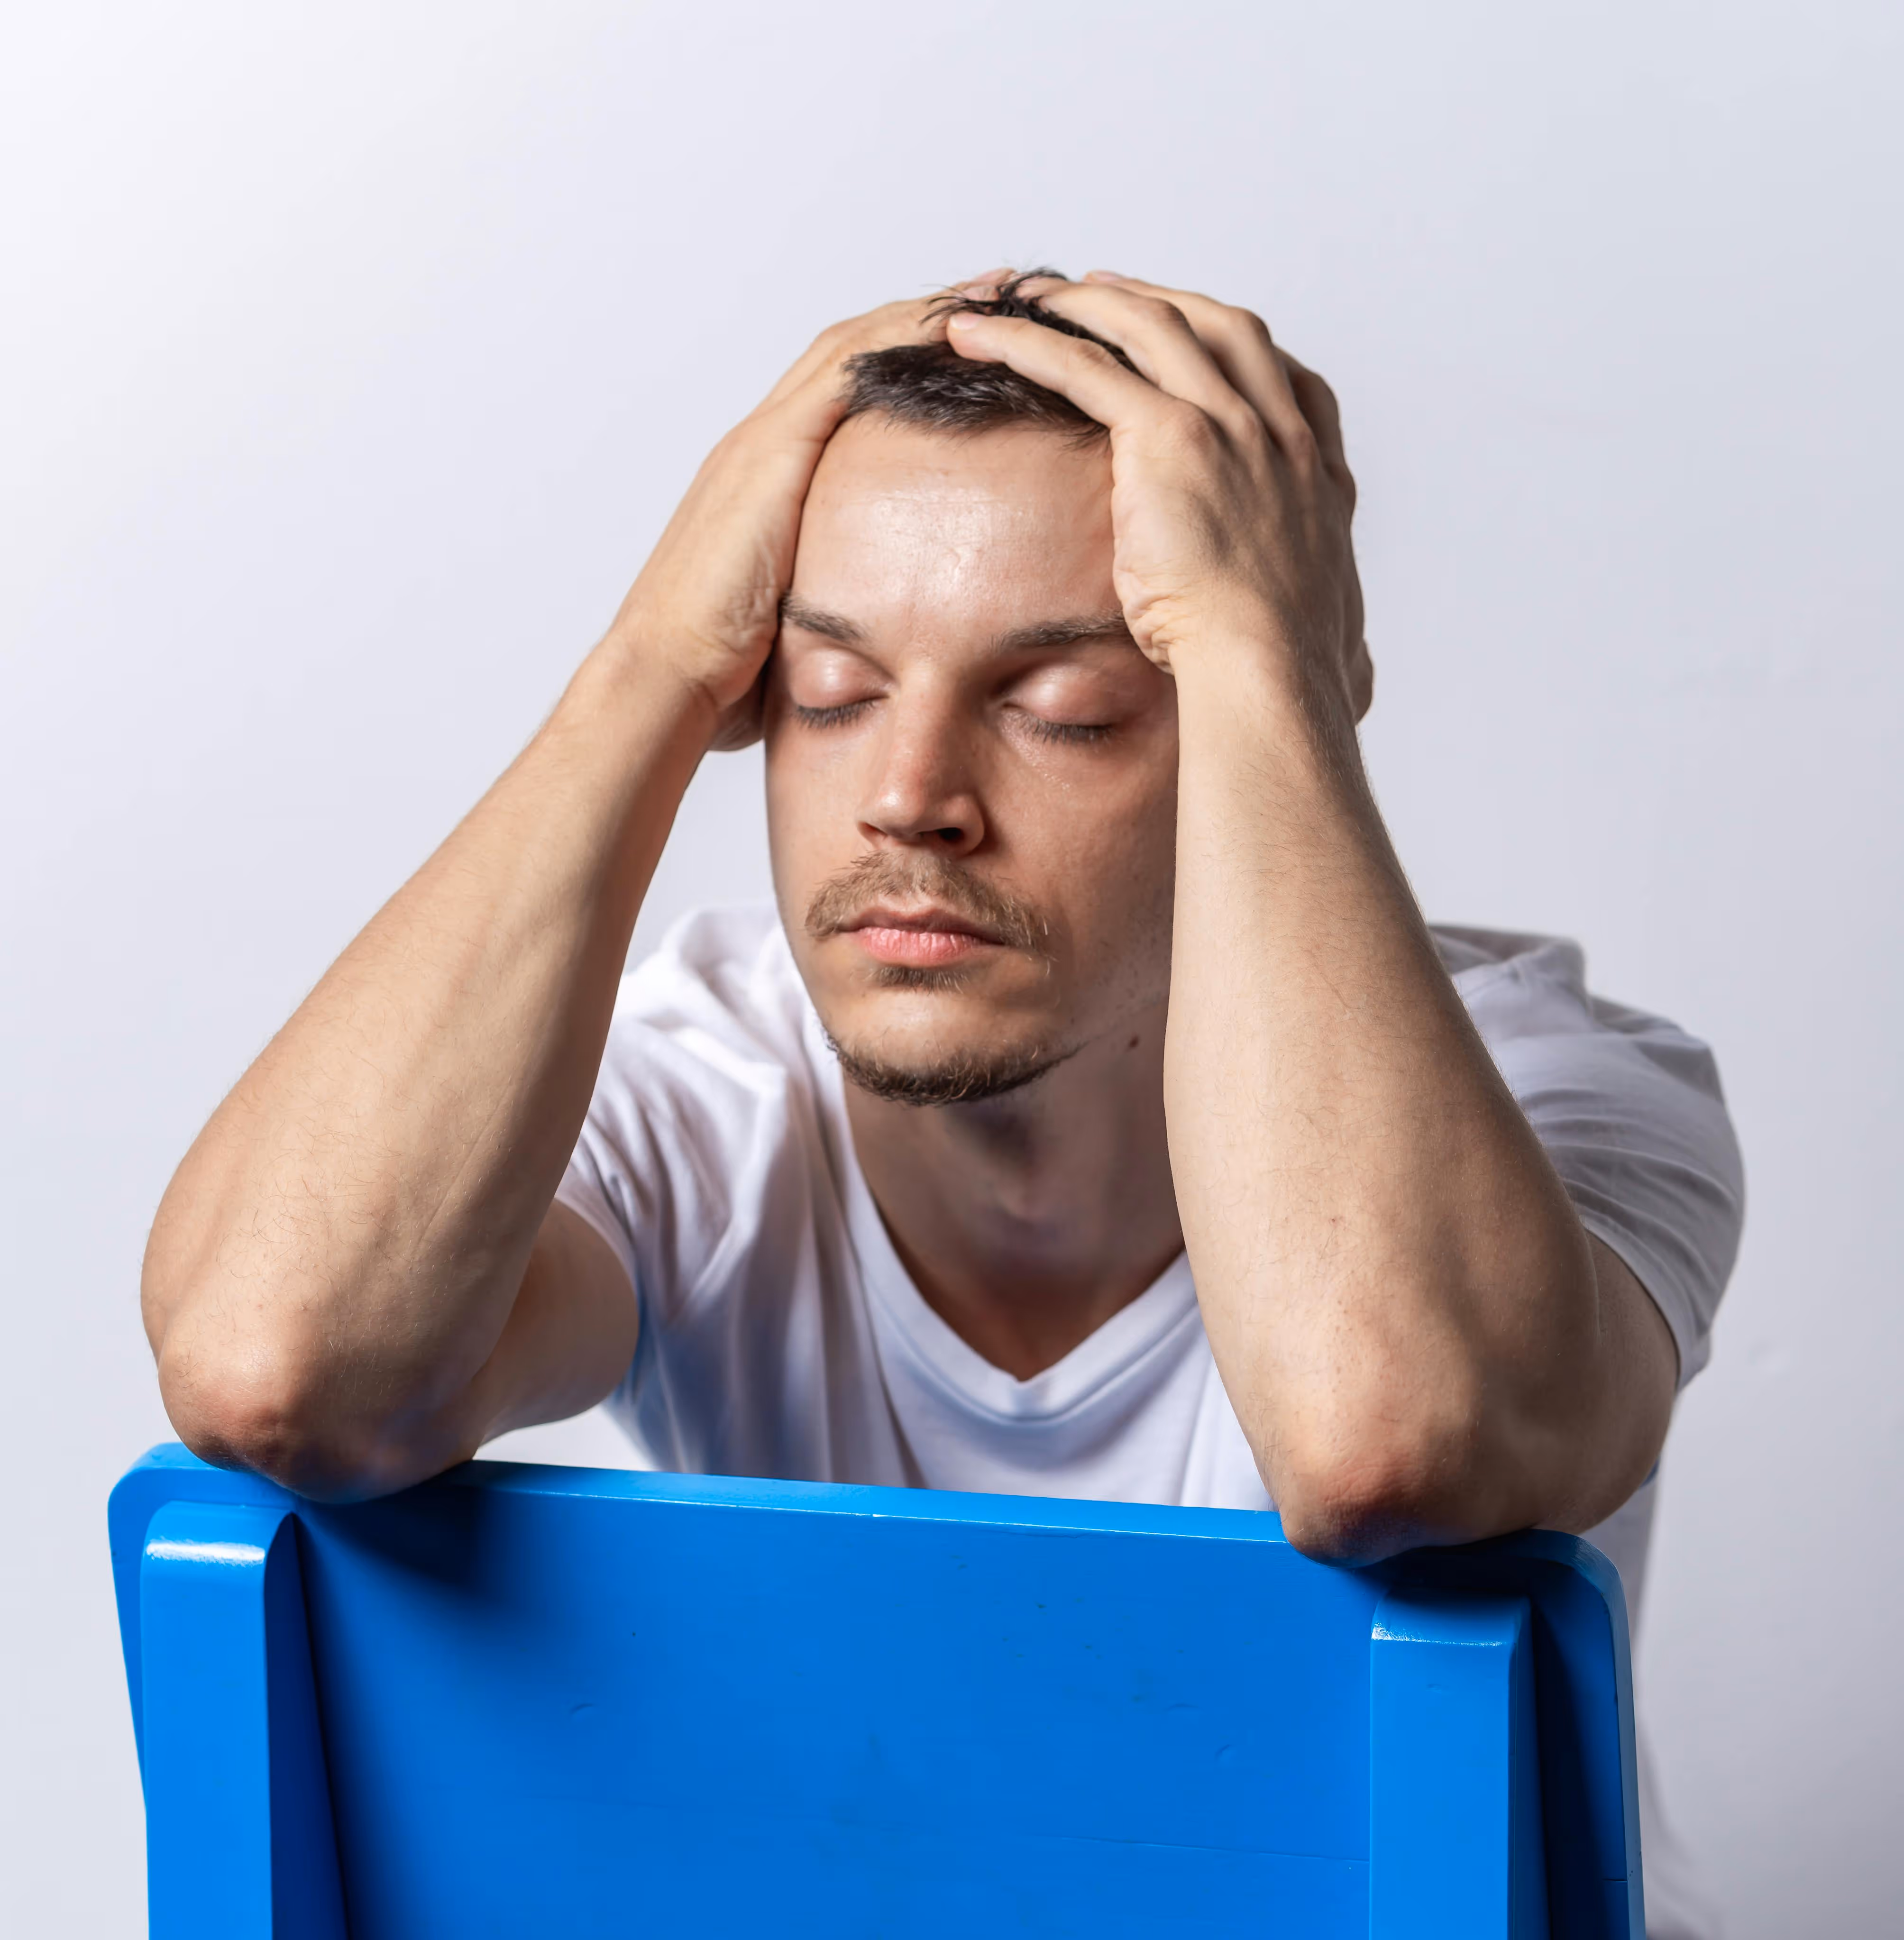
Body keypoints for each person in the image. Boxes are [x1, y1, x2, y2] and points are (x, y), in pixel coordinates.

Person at [141, 270, 1741, 1933]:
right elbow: (278, 1365)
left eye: (1063, 712)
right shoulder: (710, 1087)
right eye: (828, 694)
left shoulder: (1564, 1099)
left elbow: (1385, 1440)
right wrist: (652, 663)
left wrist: (1268, 656)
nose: (907, 798)